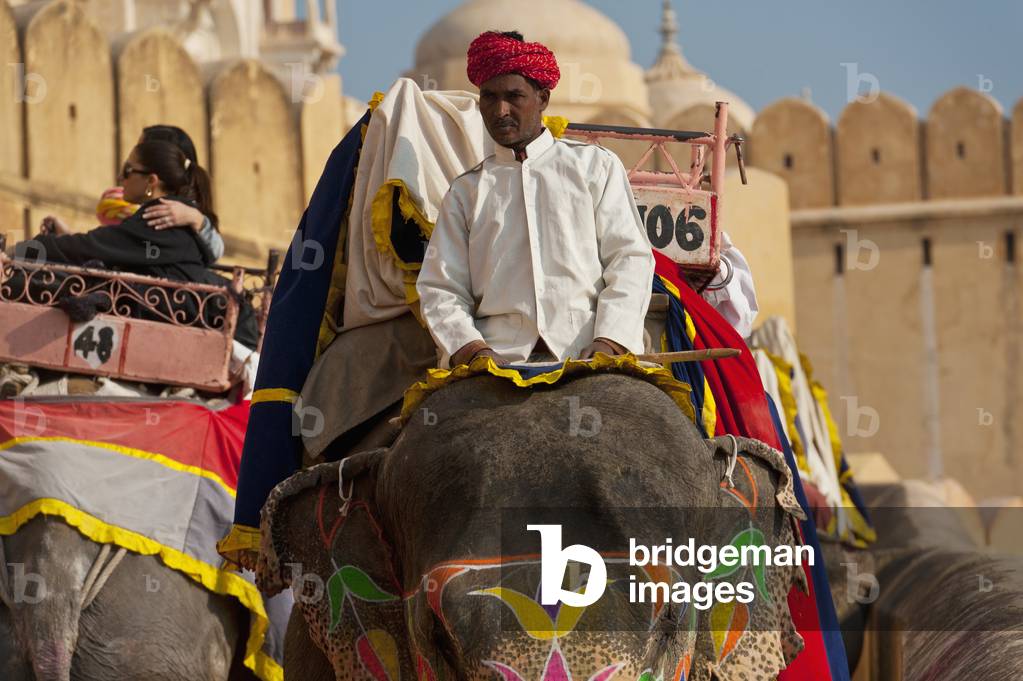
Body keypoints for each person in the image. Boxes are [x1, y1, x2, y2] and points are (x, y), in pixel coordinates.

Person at [416, 31, 655, 368]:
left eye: (514, 96)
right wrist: (472, 349)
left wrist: (609, 340)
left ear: (542, 99)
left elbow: (630, 258)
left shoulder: (594, 167)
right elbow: (441, 286)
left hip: (586, 351)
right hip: (495, 358)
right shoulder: (465, 192)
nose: (500, 111)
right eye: (489, 97)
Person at [10, 139, 257, 349]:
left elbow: (93, 246)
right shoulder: (177, 215)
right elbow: (111, 244)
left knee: (28, 282)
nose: (121, 178)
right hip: (185, 309)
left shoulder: (160, 217)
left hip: (180, 317)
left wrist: (22, 251)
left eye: (128, 170)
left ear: (151, 181)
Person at [44, 124, 225, 265]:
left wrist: (197, 219)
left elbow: (106, 246)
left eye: (130, 168)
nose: (121, 176)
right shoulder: (153, 213)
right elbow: (115, 246)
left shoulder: (173, 218)